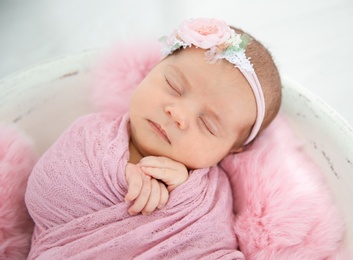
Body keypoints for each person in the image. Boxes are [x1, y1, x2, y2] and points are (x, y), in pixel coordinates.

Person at [25, 18, 281, 258]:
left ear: (232, 150)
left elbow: (211, 244)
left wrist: (180, 189)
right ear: (152, 70)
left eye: (207, 124)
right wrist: (121, 177)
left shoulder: (208, 196)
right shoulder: (89, 134)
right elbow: (42, 195)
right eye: (173, 86)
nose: (177, 114)